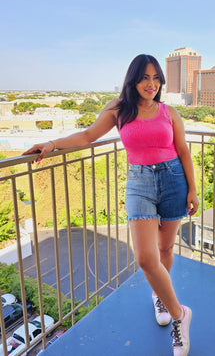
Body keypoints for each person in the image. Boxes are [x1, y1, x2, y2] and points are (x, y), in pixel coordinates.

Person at [23, 54, 199, 356]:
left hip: (173, 180)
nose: (152, 84)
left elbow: (183, 151)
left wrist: (192, 190)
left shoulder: (169, 112)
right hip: (139, 182)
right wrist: (52, 144)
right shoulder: (119, 109)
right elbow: (88, 135)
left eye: (156, 78)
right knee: (145, 257)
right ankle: (180, 315)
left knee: (165, 250)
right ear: (133, 79)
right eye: (145, 77)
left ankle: (161, 296)